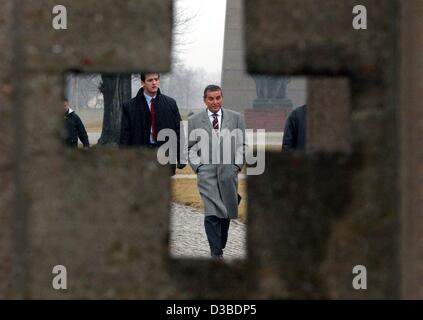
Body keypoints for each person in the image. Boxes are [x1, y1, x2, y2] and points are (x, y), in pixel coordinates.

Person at [188, 85, 246, 259]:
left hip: (229, 173)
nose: (215, 102)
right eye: (211, 99)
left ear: (222, 97)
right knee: (212, 212)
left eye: (218, 98)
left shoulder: (236, 118)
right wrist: (198, 167)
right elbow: (190, 148)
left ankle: (219, 243)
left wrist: (236, 166)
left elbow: (243, 145)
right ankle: (216, 253)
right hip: (206, 173)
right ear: (204, 100)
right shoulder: (195, 120)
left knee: (225, 212)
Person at [119, 73, 185, 173]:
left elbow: (178, 130)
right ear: (142, 82)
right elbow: (125, 135)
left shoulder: (171, 104)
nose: (154, 83)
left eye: (156, 79)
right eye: (150, 80)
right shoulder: (129, 106)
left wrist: (181, 157)